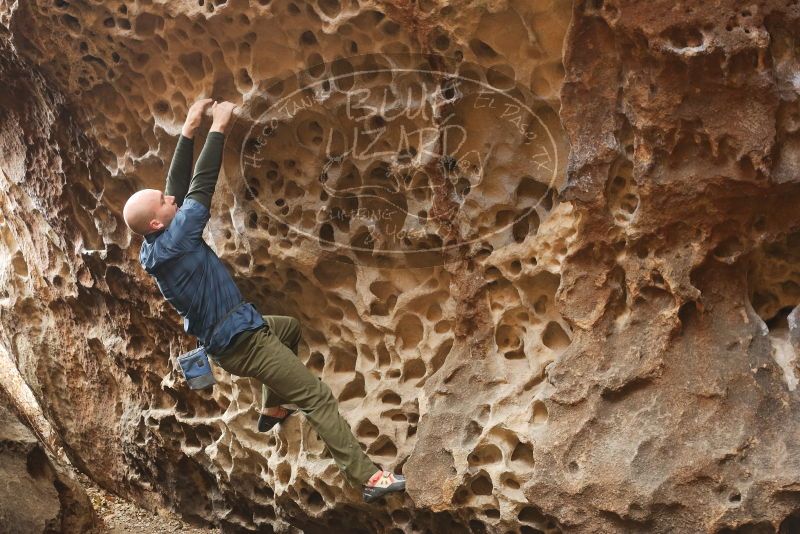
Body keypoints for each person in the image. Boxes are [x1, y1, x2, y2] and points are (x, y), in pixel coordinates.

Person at [122, 98, 405, 503]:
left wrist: (188, 128)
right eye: (167, 204)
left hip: (233, 337)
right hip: (246, 343)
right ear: (158, 221)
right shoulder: (181, 236)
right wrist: (218, 126)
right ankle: (367, 477)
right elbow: (200, 184)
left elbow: (171, 191)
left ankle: (273, 407)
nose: (173, 199)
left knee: (288, 328)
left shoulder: (152, 248)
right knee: (316, 397)